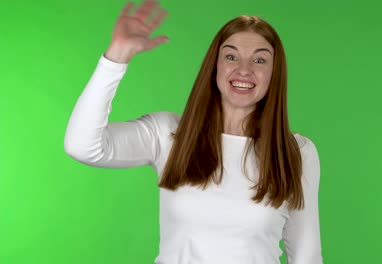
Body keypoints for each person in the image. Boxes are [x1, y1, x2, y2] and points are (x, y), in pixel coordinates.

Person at [64, 0, 323, 263]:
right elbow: (82, 146)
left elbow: (306, 254)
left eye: (260, 59)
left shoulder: (296, 153)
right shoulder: (168, 134)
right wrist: (116, 56)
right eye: (231, 56)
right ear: (215, 66)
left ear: (274, 72)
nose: (244, 70)